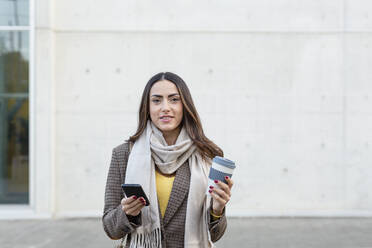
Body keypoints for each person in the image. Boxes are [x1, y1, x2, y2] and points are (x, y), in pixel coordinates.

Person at [102, 72, 234, 248]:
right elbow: (111, 229)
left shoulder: (206, 154)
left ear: (185, 105)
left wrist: (217, 210)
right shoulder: (123, 154)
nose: (165, 107)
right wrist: (126, 213)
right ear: (147, 107)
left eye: (174, 99)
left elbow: (215, 235)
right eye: (156, 100)